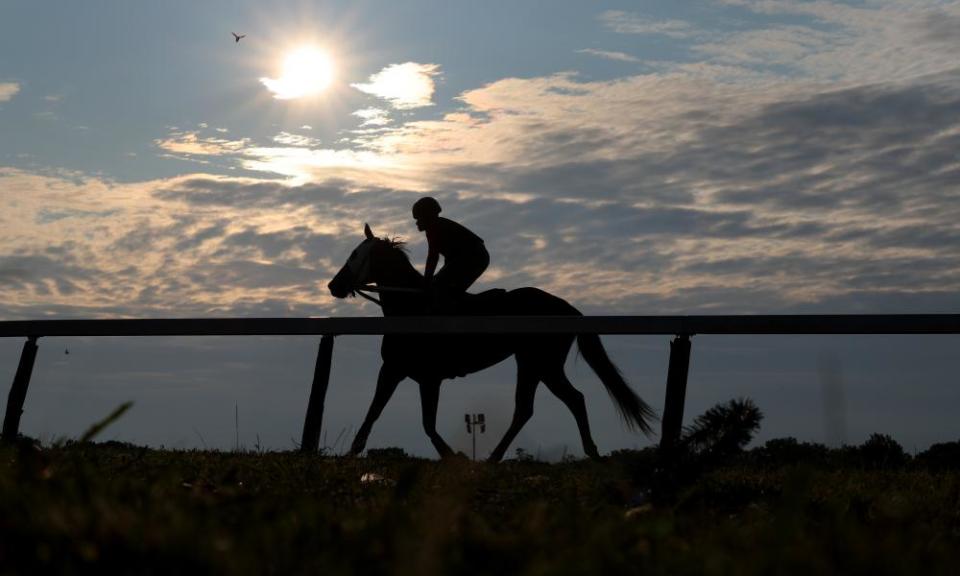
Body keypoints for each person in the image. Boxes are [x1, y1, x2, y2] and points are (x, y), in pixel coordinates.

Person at [412, 197, 489, 309]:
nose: (417, 223)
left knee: (441, 287)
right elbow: (450, 260)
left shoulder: (435, 228)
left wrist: (427, 281)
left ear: (427, 217)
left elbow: (433, 257)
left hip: (474, 257)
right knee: (443, 286)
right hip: (473, 257)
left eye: (419, 218)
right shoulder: (438, 226)